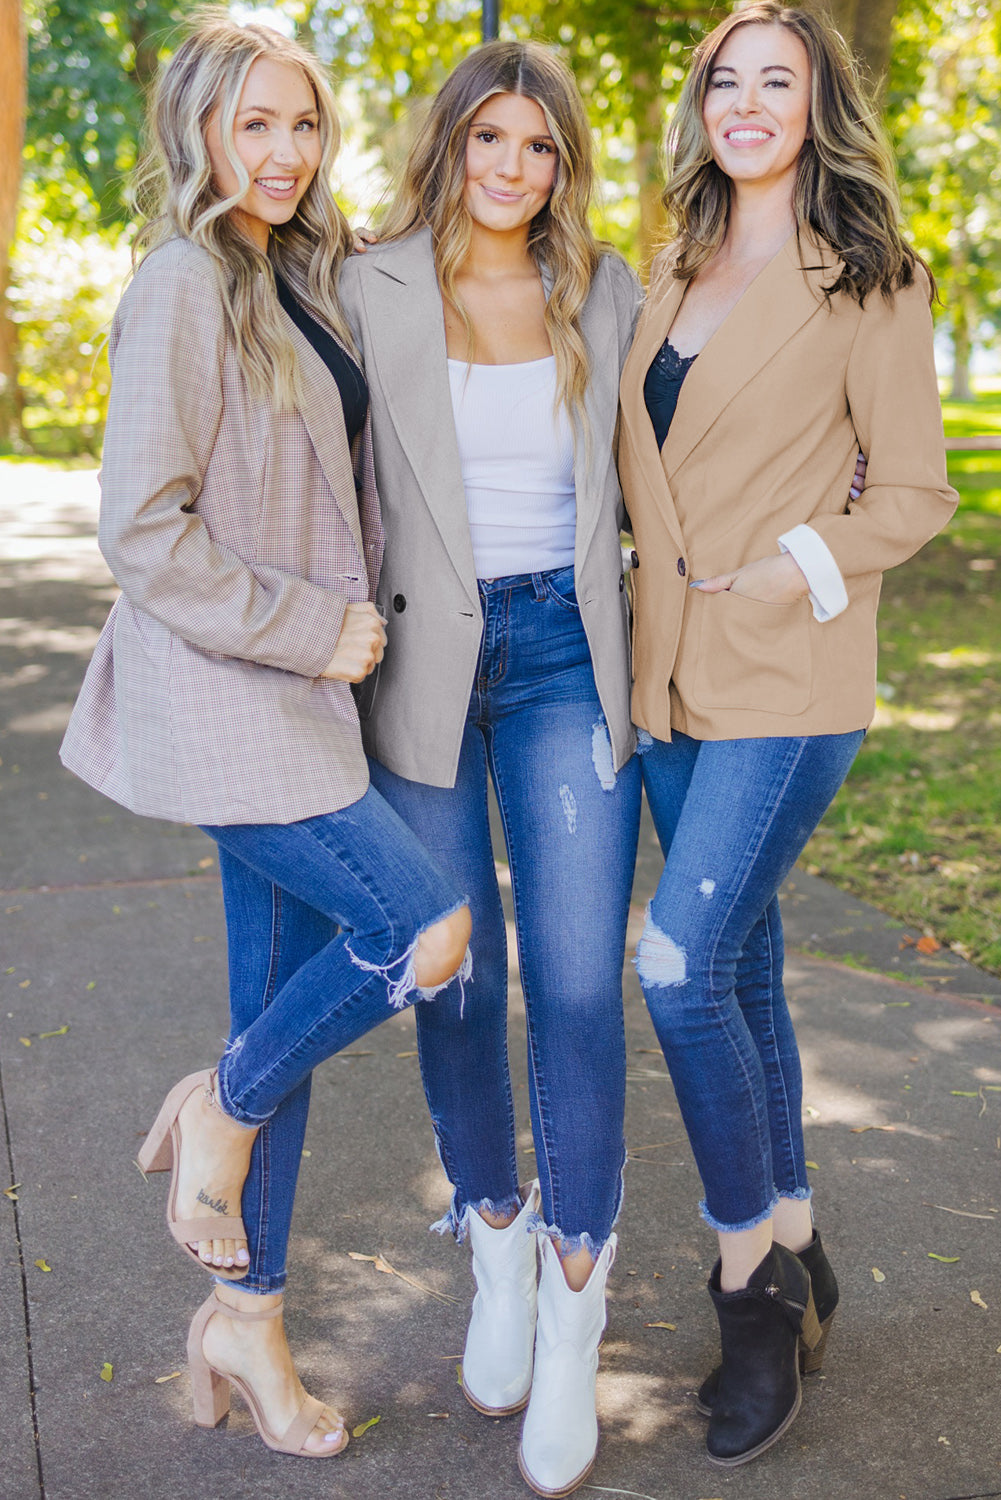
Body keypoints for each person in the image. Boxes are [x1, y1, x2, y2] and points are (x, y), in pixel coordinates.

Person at [59, 14, 471, 1462]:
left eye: (303, 124)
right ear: (202, 135)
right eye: (256, 126)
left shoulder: (298, 272)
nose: (285, 152)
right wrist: (312, 628)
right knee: (423, 934)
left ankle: (246, 1316)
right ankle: (218, 1106)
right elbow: (141, 527)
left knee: (279, 1008)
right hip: (239, 701)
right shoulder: (182, 283)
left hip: (309, 705)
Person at [617, 0, 957, 1469]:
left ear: (817, 108)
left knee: (677, 969)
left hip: (787, 671)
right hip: (665, 684)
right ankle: (802, 1238)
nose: (745, 101)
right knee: (744, 966)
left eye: (777, 79)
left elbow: (913, 494)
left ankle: (746, 1286)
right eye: (724, 79)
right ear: (698, 105)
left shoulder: (871, 273)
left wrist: (787, 567)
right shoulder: (665, 264)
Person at [339, 41, 643, 1497]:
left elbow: (679, 458)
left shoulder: (608, 286)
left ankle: (579, 1303)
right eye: (489, 143)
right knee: (458, 971)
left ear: (561, 164)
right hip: (419, 669)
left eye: (538, 148)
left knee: (579, 983)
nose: (513, 171)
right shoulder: (369, 279)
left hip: (564, 661)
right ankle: (498, 1243)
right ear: (449, 145)